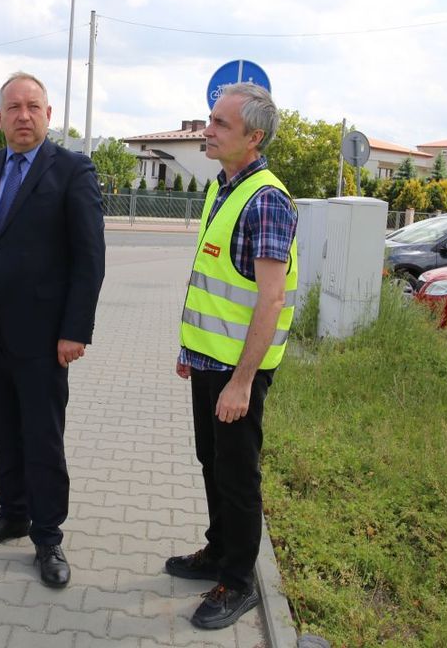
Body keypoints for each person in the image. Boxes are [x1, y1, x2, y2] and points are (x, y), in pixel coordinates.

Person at [0, 71, 105, 588]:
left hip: (44, 337)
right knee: (1, 432)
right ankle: (12, 513)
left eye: (33, 107)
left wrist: (75, 330)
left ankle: (48, 536)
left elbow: (89, 259)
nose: (23, 116)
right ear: (0, 118)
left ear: (49, 116)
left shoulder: (73, 170)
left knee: (42, 439)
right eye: (14, 108)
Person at [168, 83, 298, 630]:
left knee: (238, 476)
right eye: (209, 120)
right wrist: (189, 350)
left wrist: (243, 381)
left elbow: (269, 299)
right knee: (211, 462)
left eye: (220, 124)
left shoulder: (266, 199)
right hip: (208, 362)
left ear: (254, 137)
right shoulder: (223, 188)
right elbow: (212, 283)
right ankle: (219, 551)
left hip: (239, 373)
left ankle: (240, 582)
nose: (208, 131)